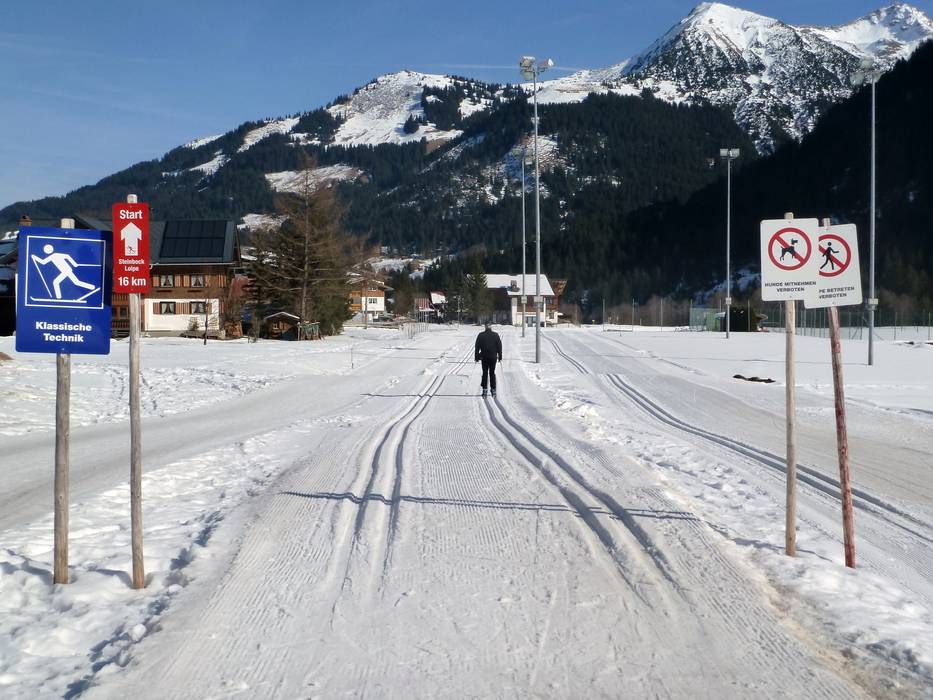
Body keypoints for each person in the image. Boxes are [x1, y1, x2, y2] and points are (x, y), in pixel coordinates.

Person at [475, 322, 502, 397]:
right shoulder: (495, 335)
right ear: (491, 327)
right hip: (493, 357)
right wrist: (500, 356)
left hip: (484, 357)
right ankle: (493, 389)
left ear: (485, 327)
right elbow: (499, 346)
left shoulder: (481, 335)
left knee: (485, 373)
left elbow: (477, 347)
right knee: (492, 373)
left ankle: (484, 389)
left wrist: (476, 357)